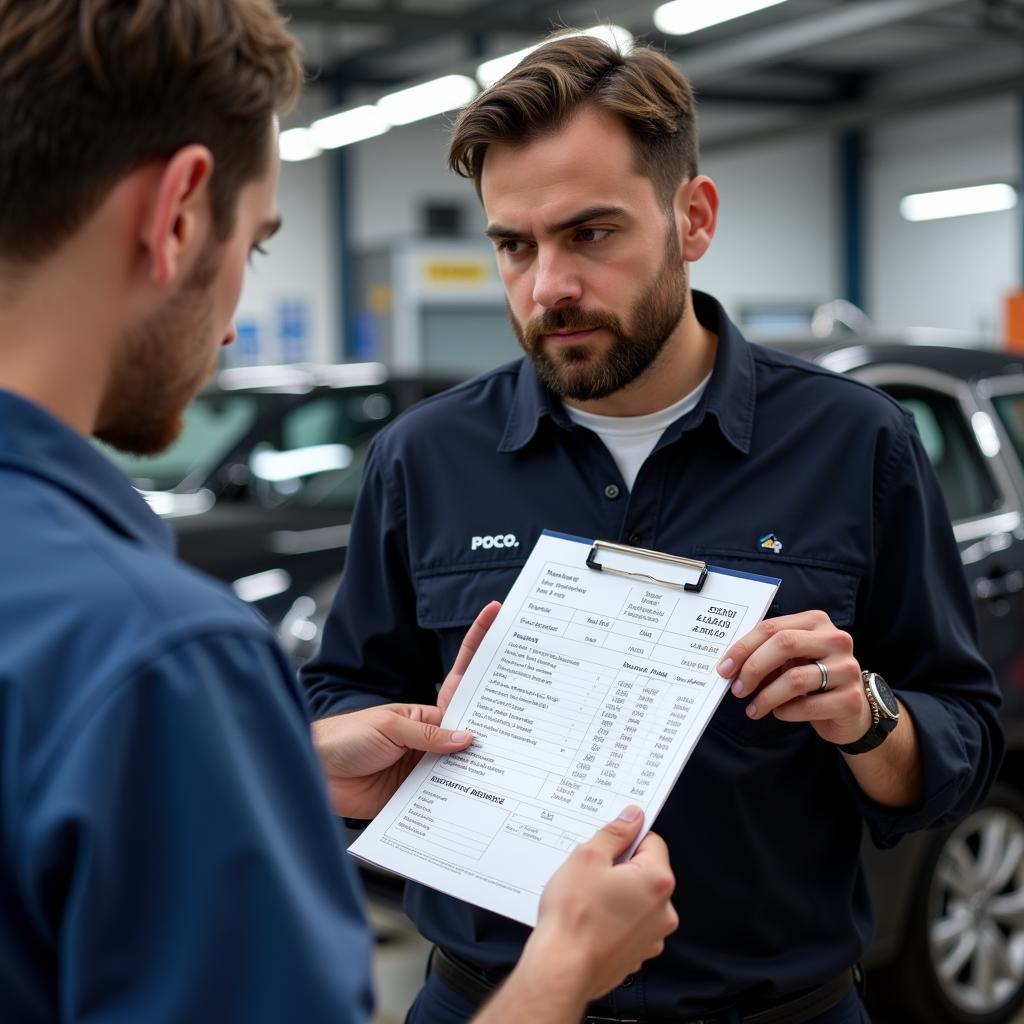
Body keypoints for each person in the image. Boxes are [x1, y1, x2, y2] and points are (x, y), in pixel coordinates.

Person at [302, 30, 1006, 1024]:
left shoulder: (857, 444)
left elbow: (963, 737)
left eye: (590, 234)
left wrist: (866, 715)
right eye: (513, 244)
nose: (546, 286)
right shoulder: (424, 459)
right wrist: (355, 742)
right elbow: (341, 690)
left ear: (694, 217)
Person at [0, 5, 679, 1022]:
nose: (231, 321)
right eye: (257, 244)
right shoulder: (161, 661)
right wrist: (561, 968)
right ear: (180, 212)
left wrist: (285, 758)